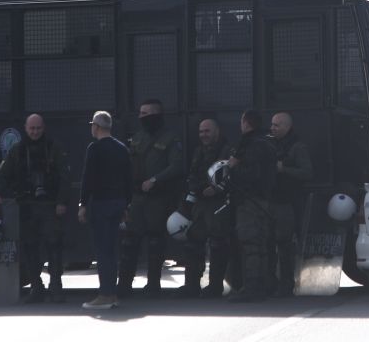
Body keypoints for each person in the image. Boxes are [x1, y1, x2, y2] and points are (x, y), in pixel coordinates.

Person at [0, 114, 70, 303]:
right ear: (25, 128)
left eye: (38, 128)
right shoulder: (17, 151)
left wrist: (61, 202)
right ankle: (36, 287)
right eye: (32, 128)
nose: (35, 132)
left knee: (54, 246)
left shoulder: (53, 148)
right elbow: (2, 175)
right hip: (26, 206)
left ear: (44, 128)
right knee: (29, 247)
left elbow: (65, 178)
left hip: (50, 205)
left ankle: (56, 286)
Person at [118, 98, 184, 297]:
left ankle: (154, 284)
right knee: (129, 241)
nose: (141, 117)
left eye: (145, 114)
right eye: (140, 113)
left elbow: (177, 166)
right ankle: (124, 285)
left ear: (156, 114)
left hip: (159, 198)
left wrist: (155, 180)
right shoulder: (138, 137)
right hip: (138, 198)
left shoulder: (171, 138)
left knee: (155, 242)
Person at [78, 111, 131, 310]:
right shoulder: (121, 149)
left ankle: (105, 294)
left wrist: (82, 204)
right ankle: (112, 293)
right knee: (112, 250)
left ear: (96, 127)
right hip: (118, 203)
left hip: (100, 203)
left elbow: (88, 177)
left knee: (102, 251)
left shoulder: (94, 149)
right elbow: (128, 179)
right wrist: (127, 205)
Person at [177, 118, 233, 298]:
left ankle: (215, 286)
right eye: (201, 132)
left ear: (217, 131)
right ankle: (191, 285)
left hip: (219, 204)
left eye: (207, 131)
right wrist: (199, 189)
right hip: (201, 204)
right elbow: (193, 175)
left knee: (218, 245)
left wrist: (216, 189)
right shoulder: (199, 151)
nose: (203, 135)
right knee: (193, 243)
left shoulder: (227, 150)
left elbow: (230, 176)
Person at [227, 110, 277, 302]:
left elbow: (251, 174)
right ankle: (262, 285)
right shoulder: (267, 142)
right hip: (263, 199)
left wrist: (234, 167)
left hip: (250, 200)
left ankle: (252, 287)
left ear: (246, 123)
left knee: (251, 244)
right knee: (261, 244)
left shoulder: (251, 145)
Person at [268, 111, 313, 297]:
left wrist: (283, 169)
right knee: (269, 243)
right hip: (271, 200)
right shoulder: (270, 144)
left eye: (276, 125)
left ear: (287, 127)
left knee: (285, 244)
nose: (272, 128)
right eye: (272, 124)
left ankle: (287, 283)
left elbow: (307, 173)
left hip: (288, 201)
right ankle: (272, 282)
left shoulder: (297, 147)